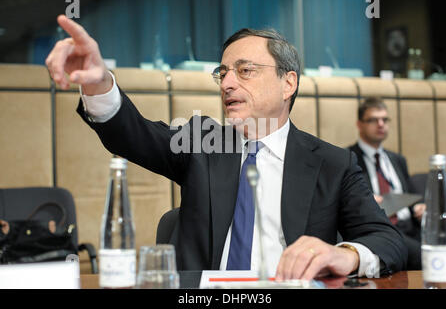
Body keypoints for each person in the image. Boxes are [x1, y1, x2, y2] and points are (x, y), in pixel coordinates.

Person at [46, 15, 407, 281]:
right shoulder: (202, 142)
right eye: (223, 73)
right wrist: (98, 85)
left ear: (288, 83)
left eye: (244, 70)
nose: (227, 83)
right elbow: (132, 134)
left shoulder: (333, 163)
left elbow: (388, 240)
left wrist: (345, 254)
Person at [348, 97, 424, 270]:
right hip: (381, 231)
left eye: (384, 119)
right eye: (373, 120)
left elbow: (411, 196)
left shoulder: (397, 159)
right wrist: (366, 200)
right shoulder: (348, 159)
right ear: (360, 125)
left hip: (412, 229)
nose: (381, 124)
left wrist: (419, 207)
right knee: (430, 256)